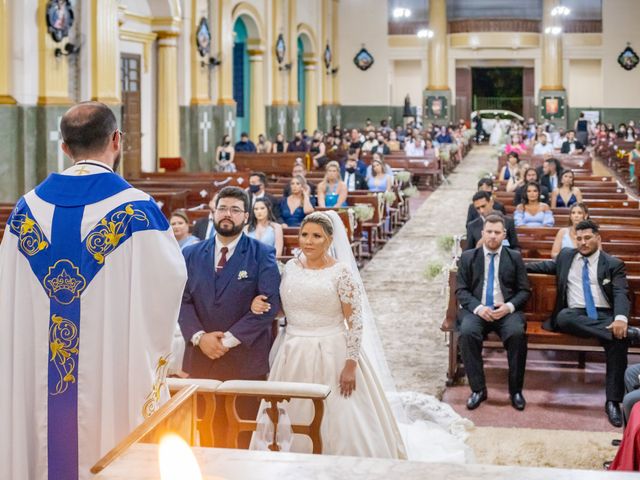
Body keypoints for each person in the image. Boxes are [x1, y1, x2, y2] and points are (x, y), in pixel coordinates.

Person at [0, 101, 188, 479]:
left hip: (39, 387)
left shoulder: (25, 212)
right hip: (111, 383)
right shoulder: (138, 211)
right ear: (117, 140)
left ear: (64, 147)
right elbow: (167, 287)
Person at [179, 186, 281, 446]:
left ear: (246, 216)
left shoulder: (261, 254)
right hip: (201, 358)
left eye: (235, 210)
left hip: (243, 360)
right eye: (223, 208)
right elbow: (181, 300)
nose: (228, 214)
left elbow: (269, 303)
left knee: (241, 435)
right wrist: (200, 337)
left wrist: (227, 341)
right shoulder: (190, 253)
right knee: (206, 433)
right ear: (213, 212)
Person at [526, 220, 640, 427]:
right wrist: (515, 265)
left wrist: (620, 319)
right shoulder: (566, 256)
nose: (583, 242)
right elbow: (544, 266)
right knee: (563, 317)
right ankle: (630, 334)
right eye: (578, 238)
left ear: (598, 238)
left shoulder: (613, 264)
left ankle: (613, 401)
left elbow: (620, 293)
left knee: (618, 341)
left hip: (604, 314)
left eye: (587, 238)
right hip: (574, 314)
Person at [457, 214, 530, 411]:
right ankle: (478, 389)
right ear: (482, 233)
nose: (492, 236)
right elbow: (461, 291)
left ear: (504, 235)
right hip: (478, 310)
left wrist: (509, 307)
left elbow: (524, 290)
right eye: (489, 232)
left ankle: (515, 390)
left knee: (516, 335)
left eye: (497, 233)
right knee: (467, 333)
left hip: (504, 310)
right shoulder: (468, 257)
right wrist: (479, 308)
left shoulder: (514, 257)